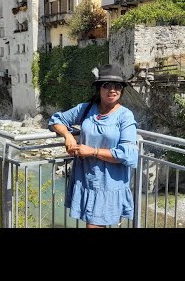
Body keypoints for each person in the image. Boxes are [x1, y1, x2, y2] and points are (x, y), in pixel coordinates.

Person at [48, 64, 138, 228]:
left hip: (110, 184)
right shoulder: (86, 109)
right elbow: (56, 120)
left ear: (122, 90)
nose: (112, 90)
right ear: (99, 88)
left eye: (117, 86)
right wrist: (68, 135)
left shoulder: (125, 116)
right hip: (87, 180)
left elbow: (128, 154)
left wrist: (92, 152)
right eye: (107, 85)